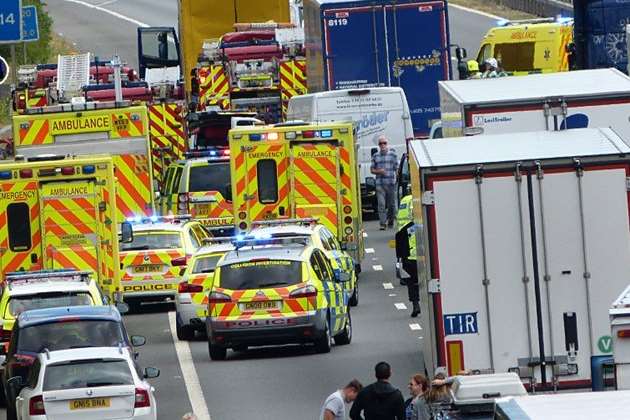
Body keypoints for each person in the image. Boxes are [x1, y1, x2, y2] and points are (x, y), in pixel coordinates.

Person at [395, 196, 420, 317]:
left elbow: (399, 251)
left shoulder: (403, 231)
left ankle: (416, 305)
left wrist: (399, 263)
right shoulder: (425, 227)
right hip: (425, 260)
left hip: (409, 260)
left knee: (411, 283)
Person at [371, 136, 398, 230]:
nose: (382, 145)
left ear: (387, 144)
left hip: (391, 183)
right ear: (378, 145)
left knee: (391, 205)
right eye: (380, 143)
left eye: (384, 143)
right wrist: (379, 171)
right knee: (381, 204)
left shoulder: (393, 155)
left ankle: (391, 220)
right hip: (380, 184)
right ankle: (382, 223)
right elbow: (372, 170)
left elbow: (396, 168)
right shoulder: (375, 156)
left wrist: (397, 179)